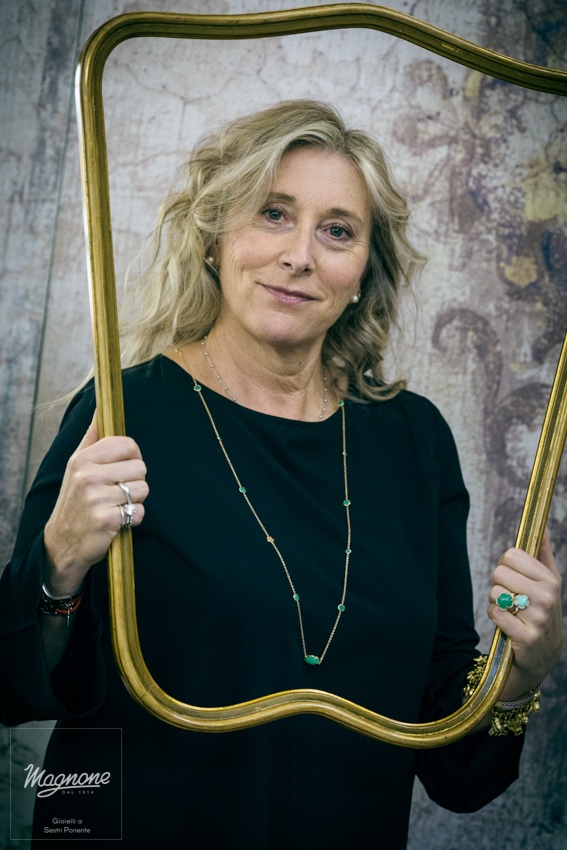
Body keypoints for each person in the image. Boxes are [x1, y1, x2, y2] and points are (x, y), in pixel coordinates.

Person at [0, 100, 562, 850]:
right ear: (215, 239)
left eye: (337, 231)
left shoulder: (414, 440)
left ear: (363, 272)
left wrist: (520, 675)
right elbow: (12, 686)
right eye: (273, 214)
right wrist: (60, 560)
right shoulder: (123, 409)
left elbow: (454, 768)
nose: (300, 255)